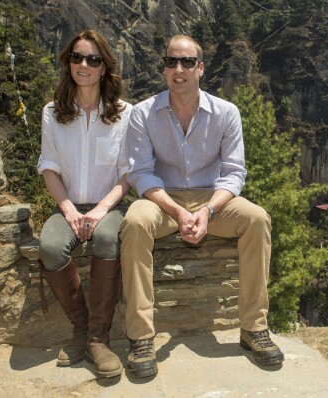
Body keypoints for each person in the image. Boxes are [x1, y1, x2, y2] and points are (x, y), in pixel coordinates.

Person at [120, 34, 284, 379]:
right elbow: (141, 174)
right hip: (162, 199)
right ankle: (140, 336)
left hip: (212, 198)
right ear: (164, 68)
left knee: (257, 218)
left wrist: (207, 211)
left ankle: (253, 327)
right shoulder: (142, 113)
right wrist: (179, 212)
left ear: (200, 68)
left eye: (187, 62)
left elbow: (234, 173)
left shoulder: (226, 113)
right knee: (134, 222)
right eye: (171, 62)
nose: (178, 69)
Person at [37, 30, 132, 378]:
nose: (84, 65)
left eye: (93, 59)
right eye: (77, 57)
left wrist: (100, 210)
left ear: (104, 67)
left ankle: (98, 338)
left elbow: (127, 175)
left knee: (107, 239)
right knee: (49, 245)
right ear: (68, 62)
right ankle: (80, 328)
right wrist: (69, 210)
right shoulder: (53, 112)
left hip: (111, 204)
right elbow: (49, 168)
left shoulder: (124, 113)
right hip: (68, 203)